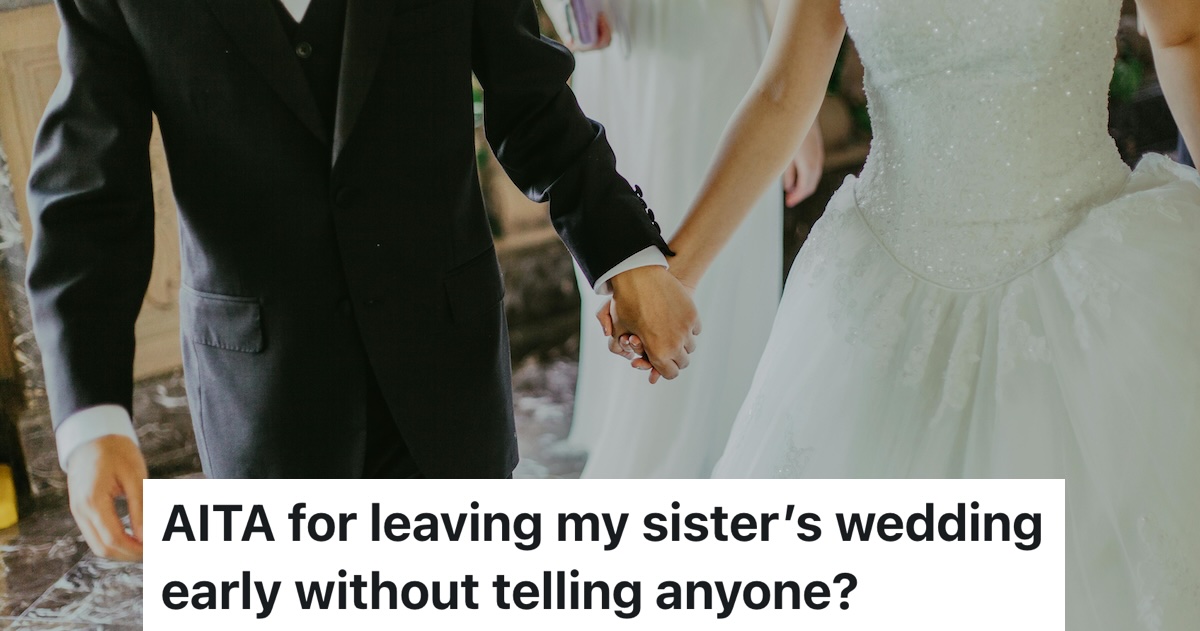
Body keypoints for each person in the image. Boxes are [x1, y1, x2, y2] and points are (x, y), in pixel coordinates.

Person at [25, 0, 699, 561]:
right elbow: (89, 196)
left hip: (446, 385)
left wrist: (626, 257)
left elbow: (532, 102)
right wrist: (91, 418)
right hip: (266, 403)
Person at [608, 0, 1200, 626]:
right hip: (882, 303)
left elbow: (1184, 34)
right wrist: (674, 276)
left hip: (1094, 294)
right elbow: (783, 91)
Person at [553, 0, 824, 478]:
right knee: (627, 232)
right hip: (627, 49)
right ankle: (652, 417)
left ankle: (688, 425)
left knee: (696, 221)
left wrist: (797, 100)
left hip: (693, 45)